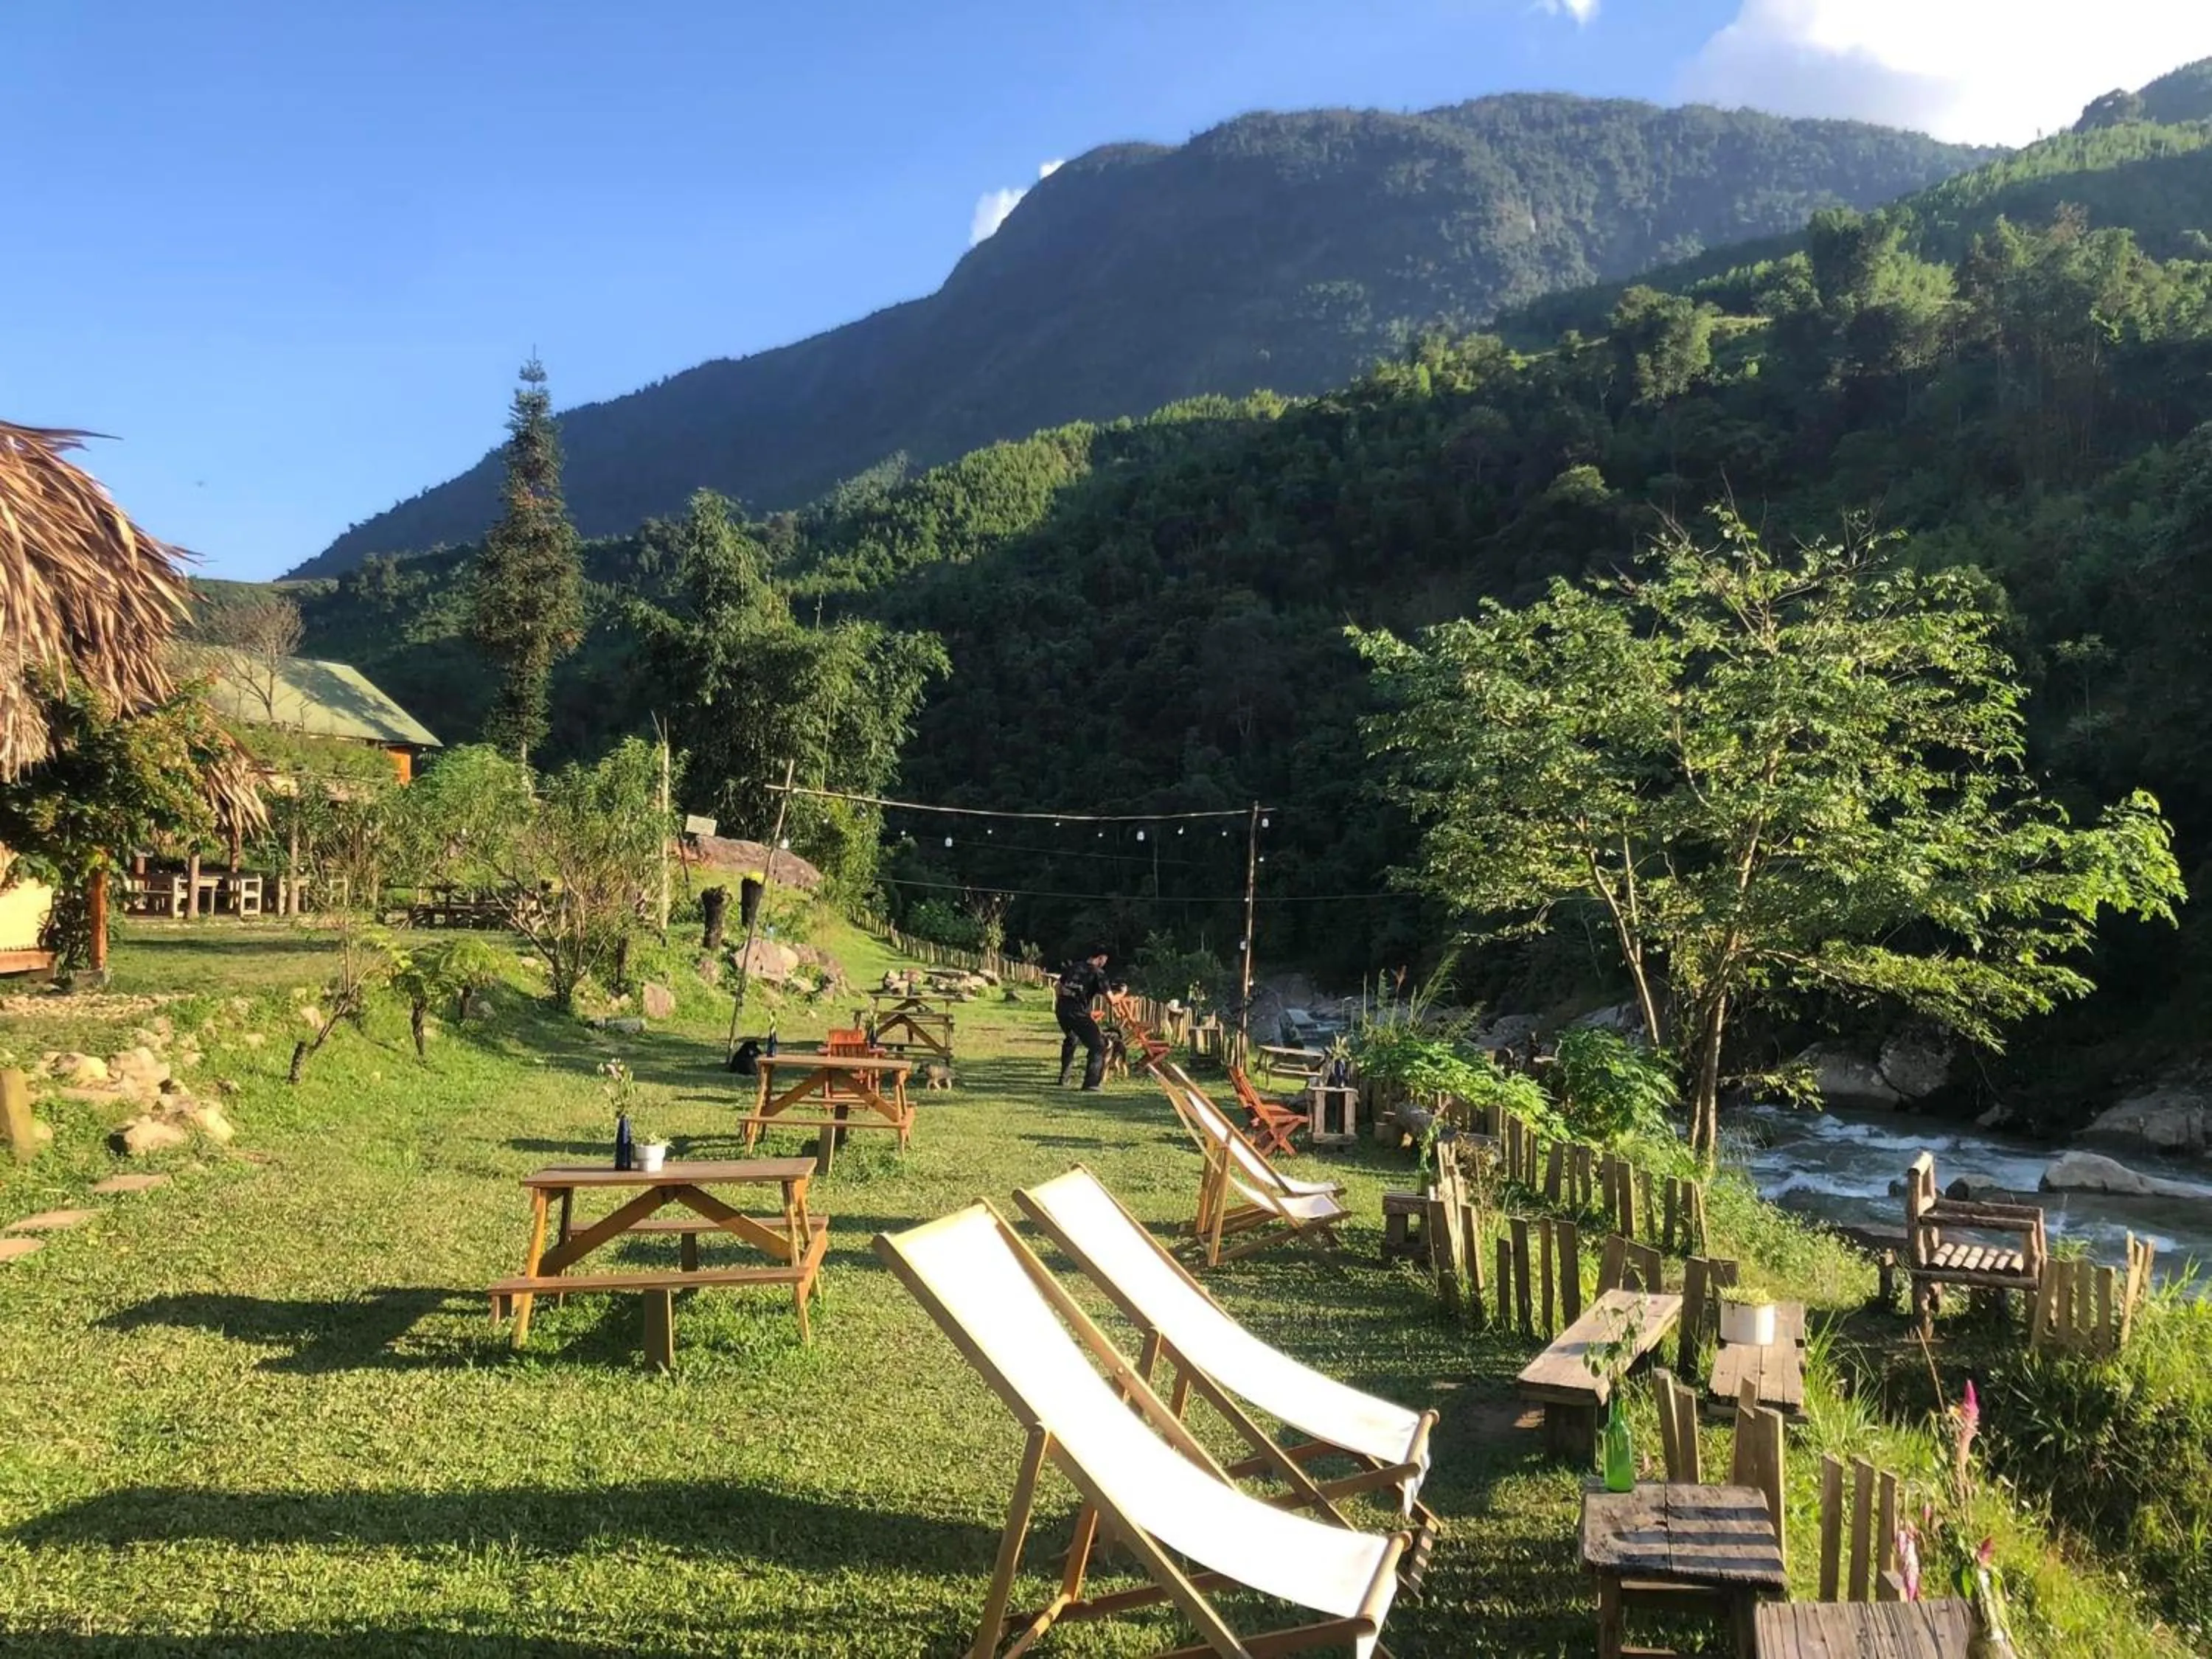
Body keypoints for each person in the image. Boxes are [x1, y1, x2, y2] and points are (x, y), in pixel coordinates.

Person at [1054, 947, 1113, 1090]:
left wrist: (1062, 1002)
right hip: (1077, 1012)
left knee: (1072, 1038)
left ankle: (1064, 1078)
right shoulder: (1098, 973)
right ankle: (1091, 1083)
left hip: (1062, 1010)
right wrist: (1123, 993)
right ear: (1100, 958)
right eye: (1104, 960)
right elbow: (1112, 1000)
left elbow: (1058, 986)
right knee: (1098, 1045)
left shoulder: (1074, 967)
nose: (1104, 963)